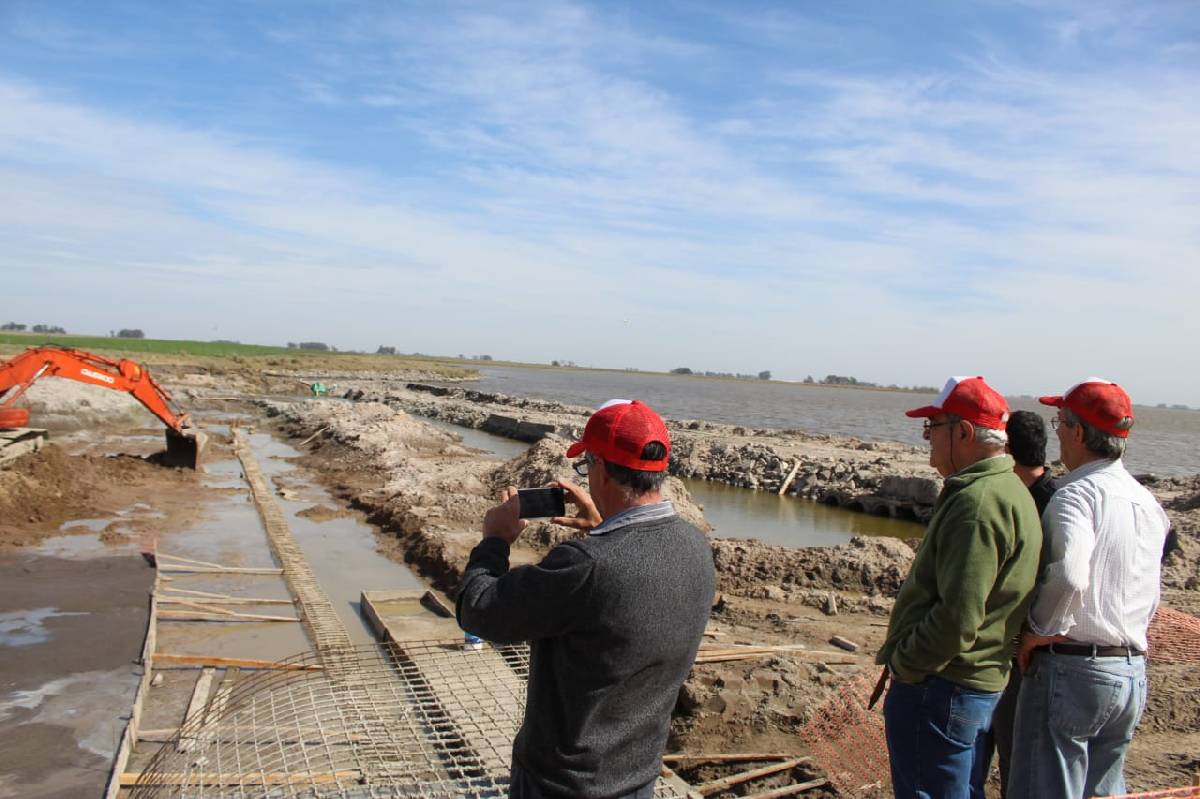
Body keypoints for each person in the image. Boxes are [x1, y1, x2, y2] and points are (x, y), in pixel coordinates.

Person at [456, 399, 715, 799]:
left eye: (587, 465)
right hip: (636, 778)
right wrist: (604, 526)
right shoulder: (695, 546)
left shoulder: (587, 565)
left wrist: (494, 541)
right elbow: (629, 587)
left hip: (562, 785)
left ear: (600, 469)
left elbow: (478, 609)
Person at [875, 376, 1042, 799]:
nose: (928, 439)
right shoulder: (1006, 488)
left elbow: (958, 617)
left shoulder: (978, 503)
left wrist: (906, 664)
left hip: (942, 685)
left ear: (964, 432)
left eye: (934, 427)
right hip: (968, 683)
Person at [1011, 378, 1170, 798]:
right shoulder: (1147, 502)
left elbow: (1069, 576)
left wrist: (1037, 631)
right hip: (1131, 669)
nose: (1057, 432)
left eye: (1060, 422)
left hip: (1073, 667)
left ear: (1079, 432)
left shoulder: (1075, 495)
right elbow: (1149, 591)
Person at [982, 409, 1059, 797]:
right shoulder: (1013, 495)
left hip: (1027, 652)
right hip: (1001, 643)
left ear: (1008, 450)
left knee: (1015, 751)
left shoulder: (1055, 500)